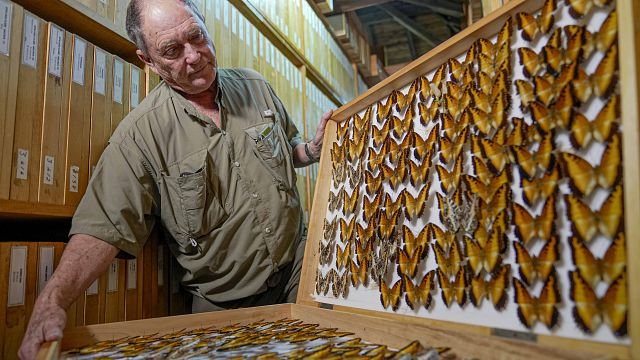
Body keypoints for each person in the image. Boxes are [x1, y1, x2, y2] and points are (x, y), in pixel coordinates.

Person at [18, 0, 332, 358]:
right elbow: (102, 227)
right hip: (228, 309)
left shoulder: (255, 86)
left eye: (196, 36)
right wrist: (52, 301)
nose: (194, 56)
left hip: (301, 272)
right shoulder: (140, 136)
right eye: (172, 50)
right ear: (148, 61)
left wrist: (310, 149)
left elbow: (284, 149)